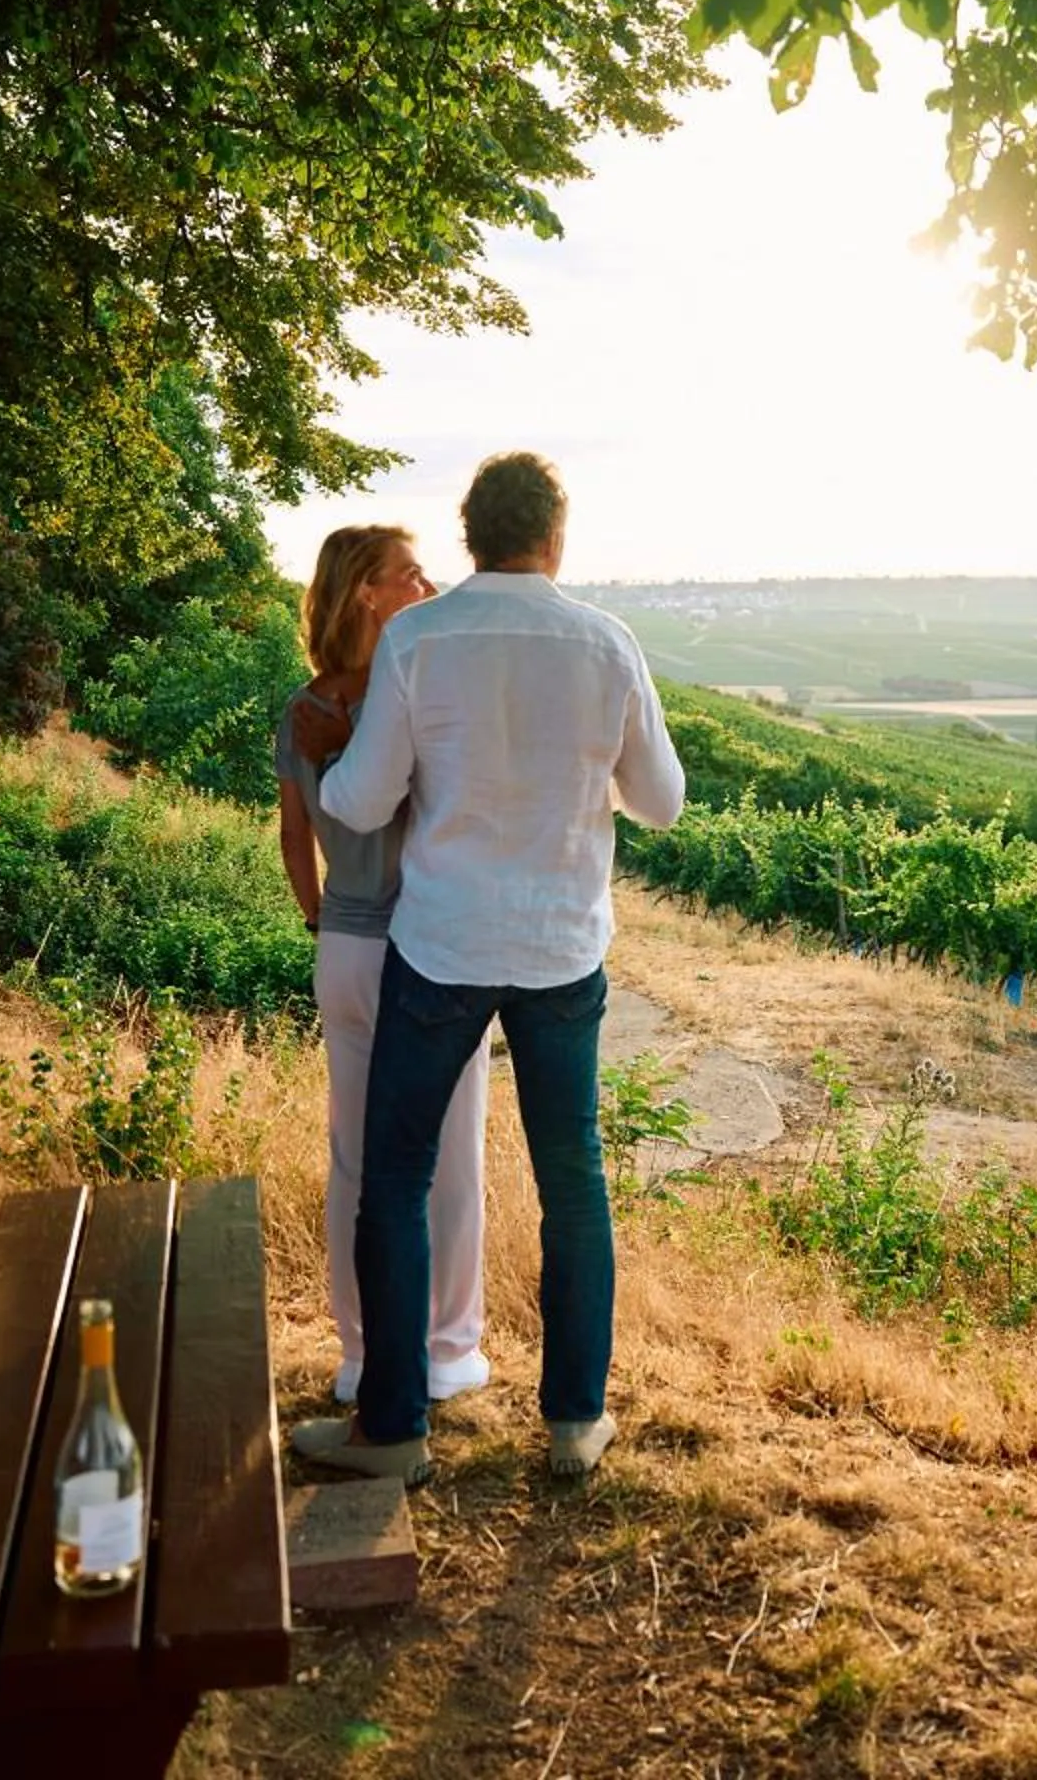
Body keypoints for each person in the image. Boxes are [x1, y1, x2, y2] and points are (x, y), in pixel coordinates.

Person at [291, 452, 685, 1486]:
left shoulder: (419, 637)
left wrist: (331, 758)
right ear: (555, 535)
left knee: (397, 1174)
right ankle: (574, 1420)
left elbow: (365, 802)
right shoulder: (608, 642)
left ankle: (396, 1427)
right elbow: (663, 800)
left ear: (470, 534)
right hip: (560, 948)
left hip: (442, 943)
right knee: (573, 1178)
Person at [274, 526, 494, 1408]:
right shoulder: (420, 693)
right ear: (369, 592)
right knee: (451, 1155)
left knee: (355, 1160)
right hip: (430, 947)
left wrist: (324, 921)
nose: (428, 581)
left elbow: (296, 839)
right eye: (411, 572)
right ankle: (447, 1350)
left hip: (347, 947)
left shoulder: (304, 707)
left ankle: (361, 1354)